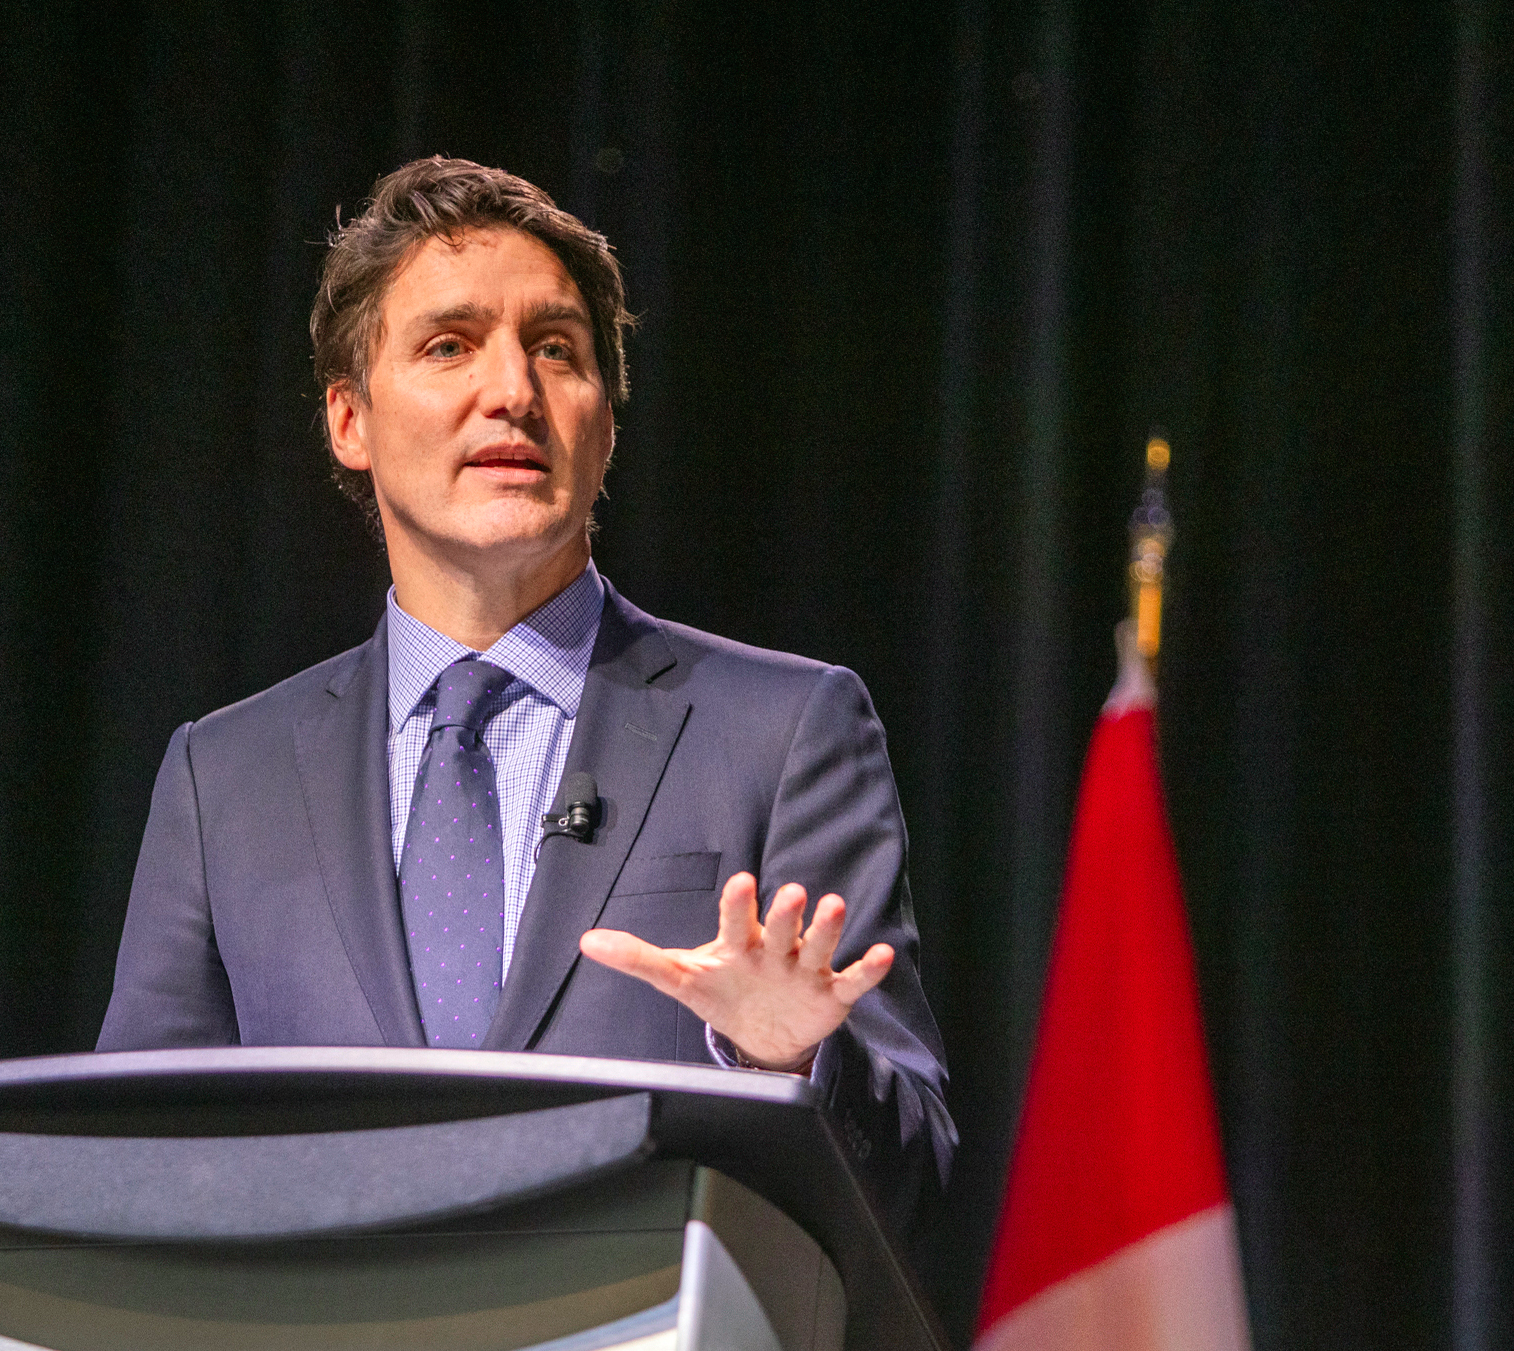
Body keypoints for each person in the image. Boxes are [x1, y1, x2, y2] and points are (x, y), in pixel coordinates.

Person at [96, 156, 953, 1219]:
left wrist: (787, 1059)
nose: (512, 391)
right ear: (349, 422)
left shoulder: (784, 732)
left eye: (556, 350)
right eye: (450, 346)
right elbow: (132, 1157)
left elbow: (918, 1177)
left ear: (605, 421)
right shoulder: (222, 779)